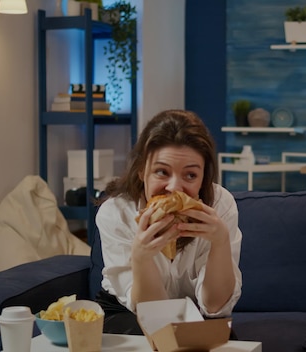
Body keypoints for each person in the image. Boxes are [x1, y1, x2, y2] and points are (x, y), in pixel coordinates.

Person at [94, 109, 242, 335]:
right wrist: (142, 258)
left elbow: (215, 307)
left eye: (190, 175)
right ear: (142, 171)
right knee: (153, 340)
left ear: (204, 177)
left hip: (194, 314)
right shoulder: (116, 213)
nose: (174, 187)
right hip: (129, 314)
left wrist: (220, 243)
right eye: (162, 172)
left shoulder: (221, 206)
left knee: (226, 337)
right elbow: (153, 313)